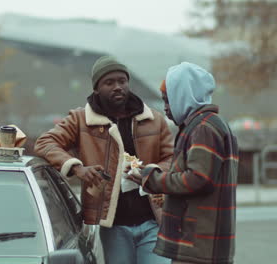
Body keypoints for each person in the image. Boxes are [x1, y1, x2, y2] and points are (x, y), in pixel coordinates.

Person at [34, 55, 173, 264]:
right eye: (109, 82)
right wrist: (78, 168)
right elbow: (45, 143)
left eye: (122, 81)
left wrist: (151, 172)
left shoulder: (153, 119)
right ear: (97, 88)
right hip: (113, 225)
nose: (118, 87)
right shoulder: (81, 119)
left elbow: (172, 157)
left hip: (153, 220)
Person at [127, 62, 239, 264]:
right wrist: (149, 175)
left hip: (199, 245)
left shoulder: (204, 127)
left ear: (184, 96)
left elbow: (198, 179)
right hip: (201, 245)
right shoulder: (205, 124)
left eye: (168, 101)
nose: (166, 109)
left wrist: (151, 180)